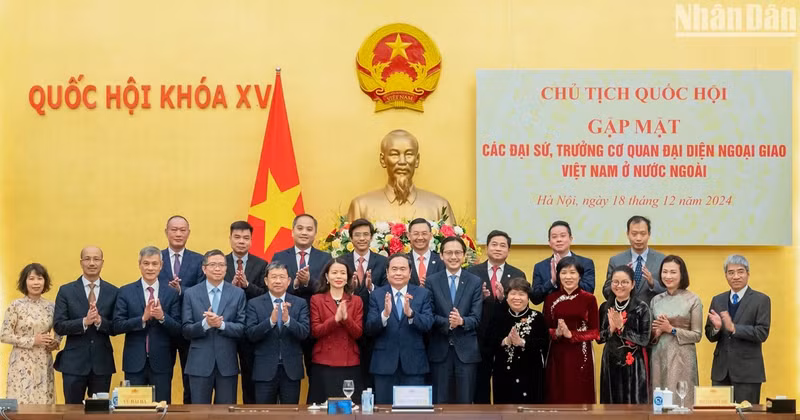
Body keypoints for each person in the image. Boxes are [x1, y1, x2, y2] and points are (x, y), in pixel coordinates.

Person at [270, 213, 331, 396]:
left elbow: (329, 289)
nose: (304, 232)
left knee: (316, 371)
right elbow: (274, 287)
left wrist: (308, 282)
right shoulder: (279, 256)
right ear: (292, 231)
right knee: (286, 373)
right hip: (286, 322)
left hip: (315, 323)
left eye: (309, 229)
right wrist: (295, 284)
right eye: (300, 228)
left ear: (315, 233)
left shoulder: (325, 257)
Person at [113, 246, 182, 403]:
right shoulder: (126, 291)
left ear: (161, 265)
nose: (150, 268)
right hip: (134, 363)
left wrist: (162, 317)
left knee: (161, 410)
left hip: (162, 363)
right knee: (133, 411)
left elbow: (179, 328)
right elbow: (117, 325)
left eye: (154, 263)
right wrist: (142, 319)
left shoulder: (171, 293)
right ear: (139, 264)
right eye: (146, 263)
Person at [467, 229, 527, 403]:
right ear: (487, 248)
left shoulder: (517, 274)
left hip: (506, 335)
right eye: (494, 244)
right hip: (479, 335)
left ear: (508, 250)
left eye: (503, 245)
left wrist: (503, 299)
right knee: (480, 384)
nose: (498, 248)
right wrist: (480, 298)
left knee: (505, 381)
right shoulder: (472, 272)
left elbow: (523, 305)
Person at [53, 246, 119, 404]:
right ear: (81, 262)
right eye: (87, 259)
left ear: (102, 263)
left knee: (100, 411)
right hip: (73, 363)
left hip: (102, 363)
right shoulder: (66, 291)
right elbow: (59, 325)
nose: (92, 263)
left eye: (96, 259)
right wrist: (84, 322)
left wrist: (99, 322)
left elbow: (116, 326)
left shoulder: (113, 291)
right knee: (72, 412)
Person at [346, 129, 456, 222]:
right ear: (383, 160)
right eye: (394, 154)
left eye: (409, 154)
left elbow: (452, 246)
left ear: (417, 160)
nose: (402, 161)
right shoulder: (361, 207)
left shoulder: (439, 207)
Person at [366, 253, 434, 405]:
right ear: (387, 272)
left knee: (413, 413)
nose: (398, 273)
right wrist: (384, 315)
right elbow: (369, 328)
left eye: (402, 269)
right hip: (384, 365)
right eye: (394, 269)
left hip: (414, 365)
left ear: (410, 273)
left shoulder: (423, 294)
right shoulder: (377, 295)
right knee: (384, 413)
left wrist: (411, 315)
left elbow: (429, 324)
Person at [182, 250, 246, 404]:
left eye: (221, 265)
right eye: (213, 265)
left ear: (226, 268)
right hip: (199, 364)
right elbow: (186, 330)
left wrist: (221, 325)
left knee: (225, 413)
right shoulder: (191, 293)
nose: (217, 269)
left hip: (227, 363)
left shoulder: (238, 293)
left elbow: (242, 328)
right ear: (204, 269)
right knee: (199, 413)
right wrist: (205, 324)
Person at [705, 255, 771, 403]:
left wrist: (734, 328)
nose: (736, 276)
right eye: (731, 272)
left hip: (748, 372)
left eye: (740, 272)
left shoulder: (761, 300)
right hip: (721, 372)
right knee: (718, 416)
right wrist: (716, 328)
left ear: (748, 273)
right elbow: (709, 335)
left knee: (746, 416)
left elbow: (762, 333)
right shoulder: (718, 300)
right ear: (726, 275)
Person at [425, 236, 482, 404]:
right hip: (439, 351)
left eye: (458, 252)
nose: (453, 257)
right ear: (441, 256)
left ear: (464, 256)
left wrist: (462, 321)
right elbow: (429, 315)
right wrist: (448, 323)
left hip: (466, 353)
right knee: (440, 402)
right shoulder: (432, 281)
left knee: (465, 402)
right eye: (449, 252)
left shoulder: (475, 282)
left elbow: (477, 318)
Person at [246, 262, 310, 404]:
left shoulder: (300, 303)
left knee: (291, 414)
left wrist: (288, 321)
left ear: (289, 281)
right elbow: (250, 334)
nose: (278, 281)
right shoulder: (254, 304)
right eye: (274, 277)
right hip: (264, 370)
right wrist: (271, 321)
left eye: (282, 277)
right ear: (266, 281)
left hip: (291, 371)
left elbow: (304, 333)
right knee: (264, 414)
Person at [158, 215, 205, 404]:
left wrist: (181, 290)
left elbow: (203, 292)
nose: (178, 234)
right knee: (161, 379)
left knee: (191, 380)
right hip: (163, 326)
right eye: (174, 229)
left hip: (189, 328)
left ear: (188, 233)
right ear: (166, 232)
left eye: (182, 230)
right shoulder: (155, 258)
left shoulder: (199, 260)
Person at [1, 263, 61, 404]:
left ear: (44, 281)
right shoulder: (16, 306)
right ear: (24, 282)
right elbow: (4, 335)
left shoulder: (51, 307)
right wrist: (32, 340)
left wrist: (56, 342)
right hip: (21, 362)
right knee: (22, 403)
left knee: (44, 402)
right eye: (31, 278)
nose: (36, 283)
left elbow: (59, 330)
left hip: (43, 360)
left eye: (39, 278)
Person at [544, 256, 599, 404]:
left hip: (581, 353)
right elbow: (546, 329)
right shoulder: (550, 299)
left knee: (579, 393)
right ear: (558, 275)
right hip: (557, 353)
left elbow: (595, 331)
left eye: (572, 273)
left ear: (580, 275)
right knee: (557, 393)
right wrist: (557, 333)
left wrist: (571, 334)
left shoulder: (589, 299)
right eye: (564, 273)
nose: (568, 277)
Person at [224, 220, 268, 403]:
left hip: (251, 329)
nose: (241, 241)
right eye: (237, 237)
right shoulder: (220, 263)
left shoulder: (261, 264)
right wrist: (231, 288)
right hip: (225, 327)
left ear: (251, 241)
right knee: (225, 378)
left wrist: (247, 285)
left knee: (250, 376)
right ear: (230, 239)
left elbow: (265, 296)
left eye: (246, 238)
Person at [308, 258, 364, 404]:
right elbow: (316, 331)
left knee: (350, 409)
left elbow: (358, 333)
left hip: (349, 363)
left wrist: (345, 319)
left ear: (348, 277)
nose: (338, 276)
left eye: (342, 273)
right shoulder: (317, 299)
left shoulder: (356, 300)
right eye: (334, 273)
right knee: (322, 409)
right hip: (324, 363)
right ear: (327, 277)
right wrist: (335, 319)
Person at [650, 255, 702, 407]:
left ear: (682, 274)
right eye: (664, 272)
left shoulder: (693, 299)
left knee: (682, 402)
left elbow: (697, 335)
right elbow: (652, 335)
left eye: (673, 272)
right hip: (659, 356)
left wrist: (671, 329)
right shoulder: (656, 300)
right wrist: (657, 333)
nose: (668, 276)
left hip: (683, 359)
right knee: (660, 404)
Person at [343, 218, 387, 391]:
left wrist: (372, 288)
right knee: (352, 373)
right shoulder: (341, 261)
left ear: (371, 237)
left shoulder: (383, 262)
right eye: (357, 235)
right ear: (351, 238)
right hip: (349, 323)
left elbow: (388, 291)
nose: (362, 238)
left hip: (374, 324)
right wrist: (350, 291)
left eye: (366, 235)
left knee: (372, 372)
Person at [597, 265, 651, 404]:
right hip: (610, 361)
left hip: (633, 364)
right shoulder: (605, 307)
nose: (619, 286)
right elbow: (599, 338)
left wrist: (622, 327)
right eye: (615, 282)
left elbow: (645, 340)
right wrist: (611, 329)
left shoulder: (641, 307)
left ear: (632, 284)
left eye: (625, 282)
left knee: (633, 405)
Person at [490, 277, 546, 404]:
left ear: (528, 297)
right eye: (513, 294)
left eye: (521, 294)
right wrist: (506, 341)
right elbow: (490, 343)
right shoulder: (499, 317)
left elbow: (543, 343)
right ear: (507, 296)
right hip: (504, 372)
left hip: (530, 372)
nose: (517, 298)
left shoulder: (538, 317)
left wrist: (522, 342)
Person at [602, 216, 665, 303]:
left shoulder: (662, 260)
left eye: (643, 234)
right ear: (627, 234)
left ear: (649, 234)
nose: (638, 238)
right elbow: (607, 292)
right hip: (623, 313)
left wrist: (652, 283)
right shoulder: (616, 261)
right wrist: (621, 282)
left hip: (652, 314)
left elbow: (669, 291)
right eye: (634, 234)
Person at [531, 221, 595, 305]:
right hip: (551, 315)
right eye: (554, 237)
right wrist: (552, 281)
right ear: (549, 242)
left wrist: (568, 278)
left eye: (563, 236)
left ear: (570, 239)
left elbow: (589, 290)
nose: (559, 240)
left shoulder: (585, 263)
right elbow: (535, 299)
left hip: (579, 313)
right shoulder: (540, 267)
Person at [407, 217, 444, 286]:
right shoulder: (403, 261)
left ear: (430, 236)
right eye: (416, 234)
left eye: (424, 233)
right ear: (408, 236)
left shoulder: (442, 261)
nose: (420, 237)